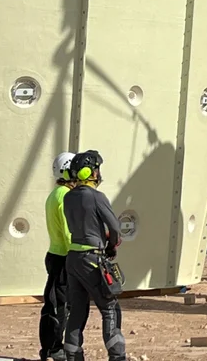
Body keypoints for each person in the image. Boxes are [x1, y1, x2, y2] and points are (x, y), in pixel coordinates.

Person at [62, 150, 127, 361]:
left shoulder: (68, 197)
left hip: (73, 260)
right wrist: (111, 245)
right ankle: (117, 356)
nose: (99, 173)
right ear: (90, 172)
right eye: (97, 169)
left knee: (78, 310)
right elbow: (115, 228)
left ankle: (72, 355)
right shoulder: (97, 197)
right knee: (110, 309)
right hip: (93, 259)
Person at [39, 152, 76, 361]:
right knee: (59, 305)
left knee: (55, 302)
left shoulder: (55, 193)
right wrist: (78, 253)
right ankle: (54, 347)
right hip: (63, 257)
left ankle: (51, 347)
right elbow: (67, 230)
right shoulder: (64, 195)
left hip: (55, 254)